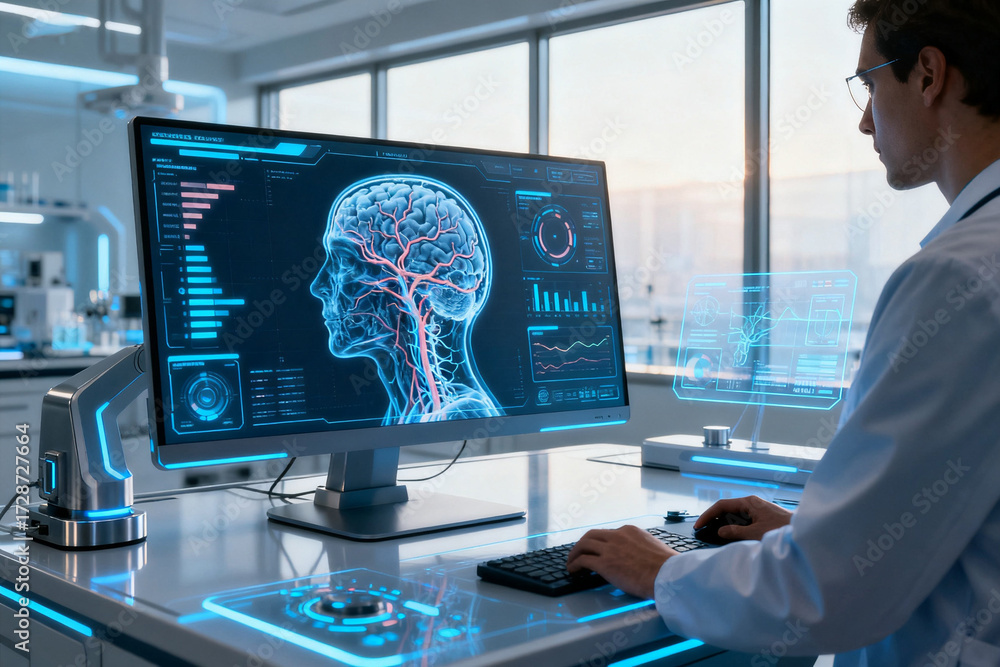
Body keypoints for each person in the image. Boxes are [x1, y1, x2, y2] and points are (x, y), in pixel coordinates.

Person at [567, 1, 1000, 663]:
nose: (864, 120)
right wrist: (820, 530)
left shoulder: (957, 278)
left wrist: (659, 569)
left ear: (928, 75)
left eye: (870, 83)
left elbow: (826, 592)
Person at [310, 176, 503, 425]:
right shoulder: (410, 415)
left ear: (416, 290)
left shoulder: (459, 418)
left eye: (345, 262)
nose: (318, 287)